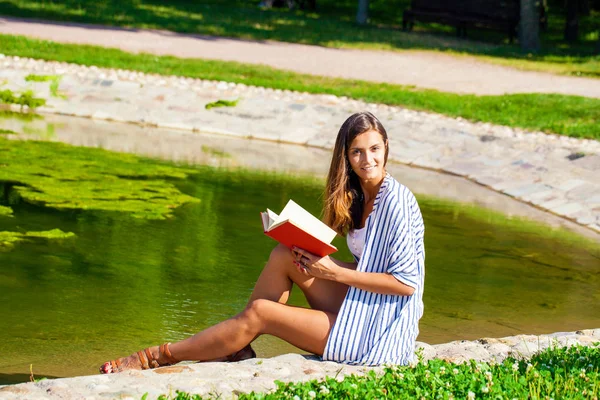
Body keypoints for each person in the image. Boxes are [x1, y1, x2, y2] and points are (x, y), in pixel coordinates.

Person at [100, 111, 425, 373]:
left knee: (261, 313)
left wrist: (334, 272)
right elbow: (369, 263)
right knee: (286, 253)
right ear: (346, 157)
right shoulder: (357, 196)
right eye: (357, 151)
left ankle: (157, 356)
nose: (367, 159)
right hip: (363, 303)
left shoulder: (395, 201)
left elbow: (406, 283)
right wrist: (303, 243)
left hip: (377, 331)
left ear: (386, 147)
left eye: (374, 149)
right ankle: (238, 345)